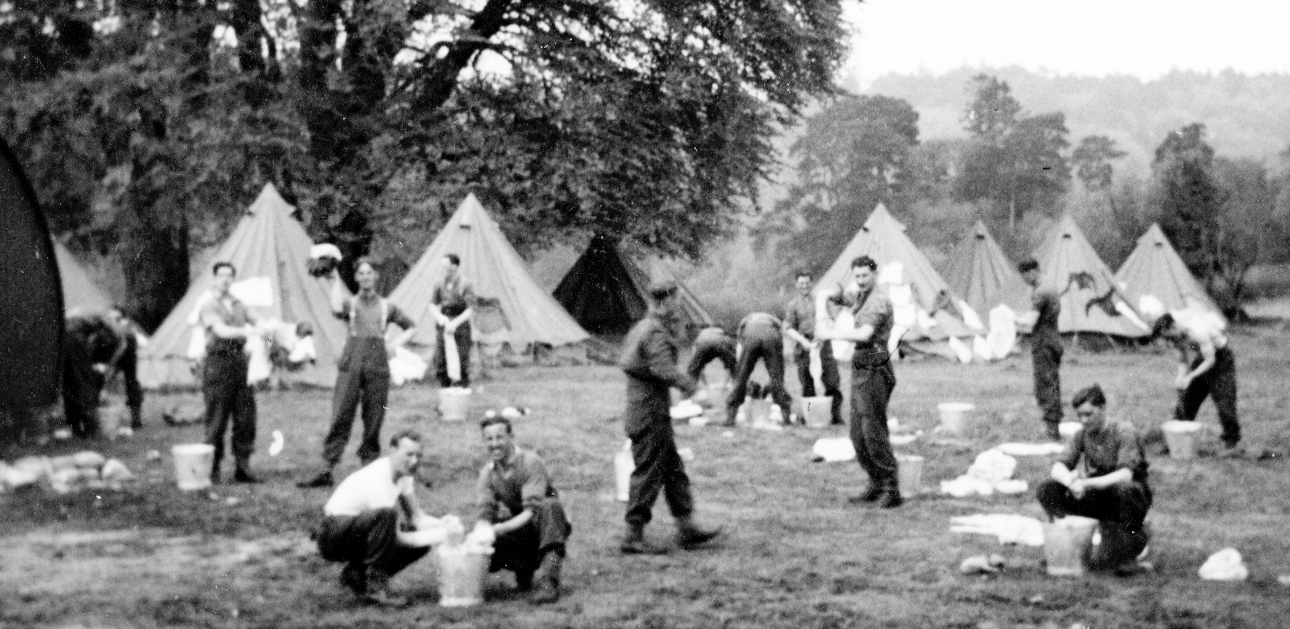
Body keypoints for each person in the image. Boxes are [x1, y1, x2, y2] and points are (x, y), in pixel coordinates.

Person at [619, 280, 723, 554]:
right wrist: (694, 389)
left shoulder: (643, 327)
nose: (679, 307)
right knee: (649, 471)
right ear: (665, 302)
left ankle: (687, 527)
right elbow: (663, 368)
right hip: (649, 411)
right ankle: (633, 534)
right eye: (676, 301)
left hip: (649, 409)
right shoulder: (653, 331)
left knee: (673, 469)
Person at [299, 258, 417, 488]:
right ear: (355, 278)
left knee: (374, 416)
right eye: (360, 273)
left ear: (376, 276)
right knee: (341, 413)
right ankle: (327, 469)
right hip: (352, 360)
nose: (365, 277)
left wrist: (393, 345)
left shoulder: (387, 306)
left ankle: (368, 469)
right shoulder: (350, 303)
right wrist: (333, 280)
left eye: (369, 273)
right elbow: (335, 308)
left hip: (377, 362)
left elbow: (411, 326)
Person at [1035, 384, 1152, 575]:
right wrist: (1070, 482)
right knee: (1048, 489)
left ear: (1103, 408)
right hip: (1098, 495)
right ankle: (1065, 547)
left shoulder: (1123, 431)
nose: (1084, 420)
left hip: (1128, 497)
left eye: (1089, 414)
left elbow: (1125, 475)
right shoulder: (1081, 435)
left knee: (1126, 491)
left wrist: (1086, 483)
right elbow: (1058, 467)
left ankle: (1129, 554)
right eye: (1080, 415)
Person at [316, 429, 439, 606]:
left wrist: (444, 526)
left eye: (418, 456)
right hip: (332, 534)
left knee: (419, 535)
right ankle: (376, 588)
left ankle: (356, 575)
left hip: (356, 530)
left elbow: (417, 517)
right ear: (392, 450)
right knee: (387, 517)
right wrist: (433, 536)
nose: (414, 461)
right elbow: (394, 537)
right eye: (409, 454)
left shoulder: (404, 474)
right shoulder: (379, 477)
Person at [817, 256, 902, 508]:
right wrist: (833, 294)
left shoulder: (879, 299)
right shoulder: (861, 295)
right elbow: (841, 298)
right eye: (857, 276)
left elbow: (864, 334)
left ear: (875, 274)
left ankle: (891, 487)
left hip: (875, 361)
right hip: (861, 362)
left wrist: (829, 334)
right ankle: (875, 482)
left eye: (865, 275)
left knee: (872, 428)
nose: (861, 280)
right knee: (857, 432)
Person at [474, 415, 572, 605]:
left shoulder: (530, 462)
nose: (494, 444)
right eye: (489, 439)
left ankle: (548, 582)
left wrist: (498, 529)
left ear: (511, 437)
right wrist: (481, 533)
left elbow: (531, 511)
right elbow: (484, 512)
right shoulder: (488, 473)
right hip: (523, 525)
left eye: (500, 437)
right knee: (485, 538)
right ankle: (522, 572)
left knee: (549, 506)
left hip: (549, 523)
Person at [199, 261, 262, 483]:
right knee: (217, 418)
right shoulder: (209, 305)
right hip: (218, 364)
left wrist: (270, 334)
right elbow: (221, 330)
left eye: (229, 275)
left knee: (246, 418)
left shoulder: (240, 304)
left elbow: (260, 324)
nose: (225, 279)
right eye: (221, 275)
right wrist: (248, 330)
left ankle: (243, 467)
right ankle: (213, 468)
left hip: (241, 363)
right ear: (214, 279)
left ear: (233, 279)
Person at [1151, 312, 1240, 453]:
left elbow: (1211, 360)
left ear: (1173, 326)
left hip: (1221, 360)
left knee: (1224, 402)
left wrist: (1190, 377)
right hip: (1202, 358)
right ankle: (1174, 441)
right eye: (1165, 337)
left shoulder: (1196, 331)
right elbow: (1182, 360)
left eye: (1168, 335)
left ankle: (1231, 443)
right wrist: (1181, 377)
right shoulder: (1176, 336)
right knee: (1187, 400)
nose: (1168, 340)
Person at [783, 270, 843, 425]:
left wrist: (826, 330)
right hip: (804, 346)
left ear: (811, 283)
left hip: (823, 344)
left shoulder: (820, 300)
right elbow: (788, 328)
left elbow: (831, 320)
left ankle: (835, 416)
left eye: (807, 283)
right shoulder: (793, 305)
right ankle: (809, 416)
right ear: (796, 285)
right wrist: (804, 342)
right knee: (807, 382)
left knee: (832, 380)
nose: (804, 286)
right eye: (801, 283)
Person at [1016, 259, 1064, 441]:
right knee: (1053, 382)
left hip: (1043, 342)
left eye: (1025, 276)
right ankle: (1054, 423)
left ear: (1033, 272)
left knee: (1045, 384)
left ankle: (1052, 428)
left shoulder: (1040, 292)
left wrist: (1010, 318)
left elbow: (1030, 322)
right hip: (1054, 338)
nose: (1025, 280)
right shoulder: (1050, 285)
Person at [725, 312, 793, 427]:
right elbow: (782, 341)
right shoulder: (775, 321)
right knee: (777, 379)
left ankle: (731, 418)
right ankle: (786, 417)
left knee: (741, 378)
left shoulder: (745, 321)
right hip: (772, 336)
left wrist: (740, 371)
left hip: (751, 336)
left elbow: (740, 349)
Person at [428, 253, 475, 389]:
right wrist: (440, 317)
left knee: (461, 361)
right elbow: (432, 304)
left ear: (454, 267)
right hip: (444, 324)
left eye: (445, 265)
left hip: (460, 325)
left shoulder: (465, 283)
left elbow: (471, 308)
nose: (442, 268)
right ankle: (445, 397)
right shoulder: (439, 283)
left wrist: (455, 323)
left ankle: (460, 398)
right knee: (442, 361)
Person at [104, 305, 145, 429]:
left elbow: (123, 346)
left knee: (131, 384)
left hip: (126, 356)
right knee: (129, 384)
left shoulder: (126, 328)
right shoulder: (118, 327)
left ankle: (135, 418)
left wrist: (111, 363)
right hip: (121, 355)